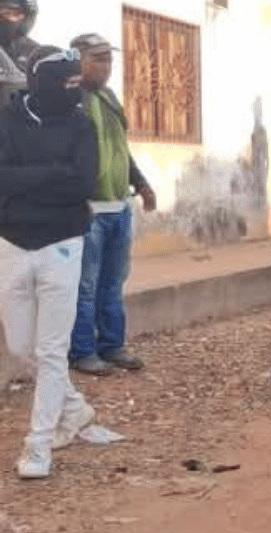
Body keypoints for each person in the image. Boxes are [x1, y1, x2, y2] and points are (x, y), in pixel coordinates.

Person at [0, 46, 103, 478]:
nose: (73, 92)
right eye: (66, 83)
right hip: (10, 243)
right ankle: (75, 409)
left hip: (63, 244)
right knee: (22, 346)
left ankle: (38, 446)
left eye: (77, 83)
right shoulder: (6, 121)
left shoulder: (82, 125)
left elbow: (84, 181)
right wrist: (53, 173)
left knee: (51, 350)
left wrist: (26, 178)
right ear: (41, 83)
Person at [66, 33, 156, 377]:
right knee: (85, 285)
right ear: (78, 59)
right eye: (98, 59)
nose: (107, 66)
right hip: (89, 210)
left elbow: (121, 148)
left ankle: (112, 346)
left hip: (118, 207)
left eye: (109, 59)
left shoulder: (108, 97)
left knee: (113, 282)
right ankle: (83, 351)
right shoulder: (70, 98)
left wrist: (142, 183)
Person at [0, 0, 37, 110]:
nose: (2, 18)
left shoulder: (35, 52)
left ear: (26, 17)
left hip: (20, 117)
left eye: (10, 14)